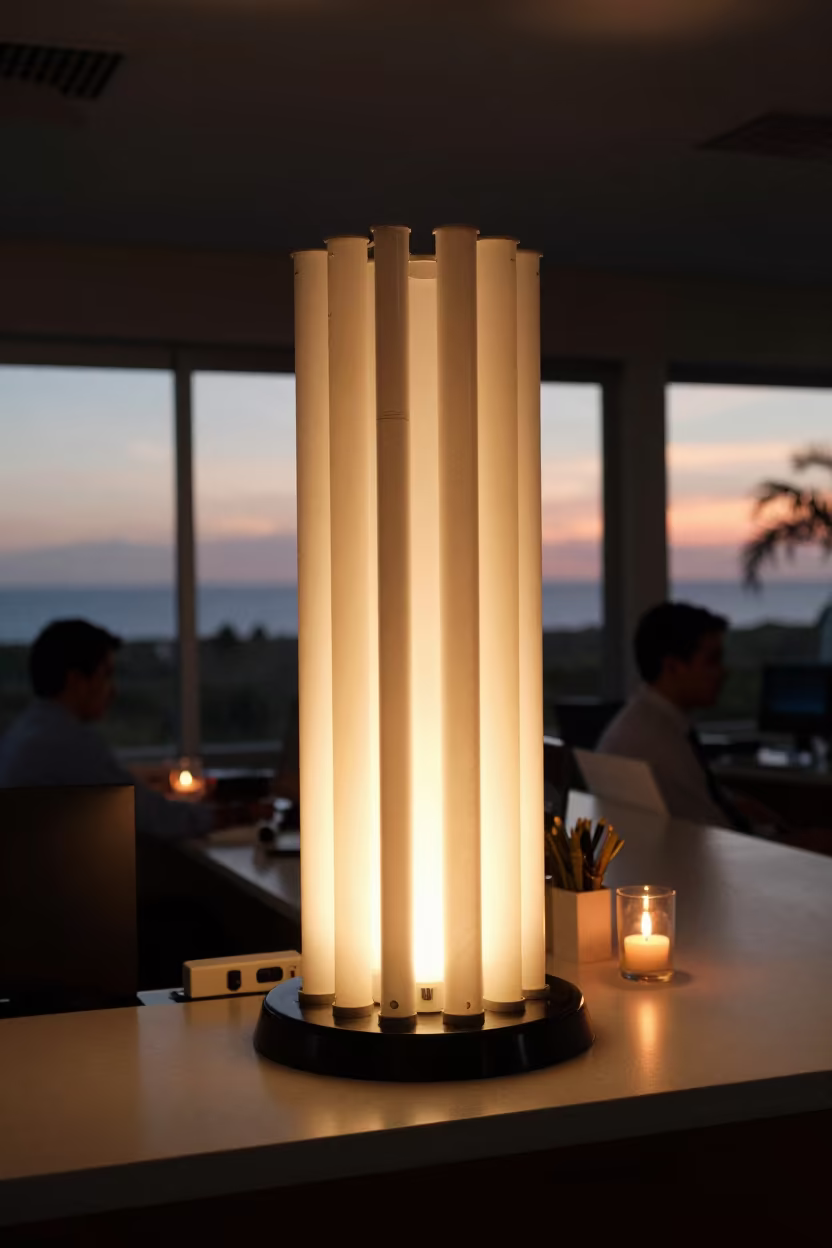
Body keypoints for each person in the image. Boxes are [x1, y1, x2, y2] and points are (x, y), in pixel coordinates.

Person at [0, 619, 211, 840]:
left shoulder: (24, 732)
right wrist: (222, 816)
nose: (113, 690)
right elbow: (150, 816)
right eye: (106, 675)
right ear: (76, 681)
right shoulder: (68, 742)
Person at [597, 603, 759, 831]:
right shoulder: (657, 742)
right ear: (672, 667)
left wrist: (732, 803)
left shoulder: (648, 722)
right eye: (712, 660)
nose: (723, 672)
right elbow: (718, 839)